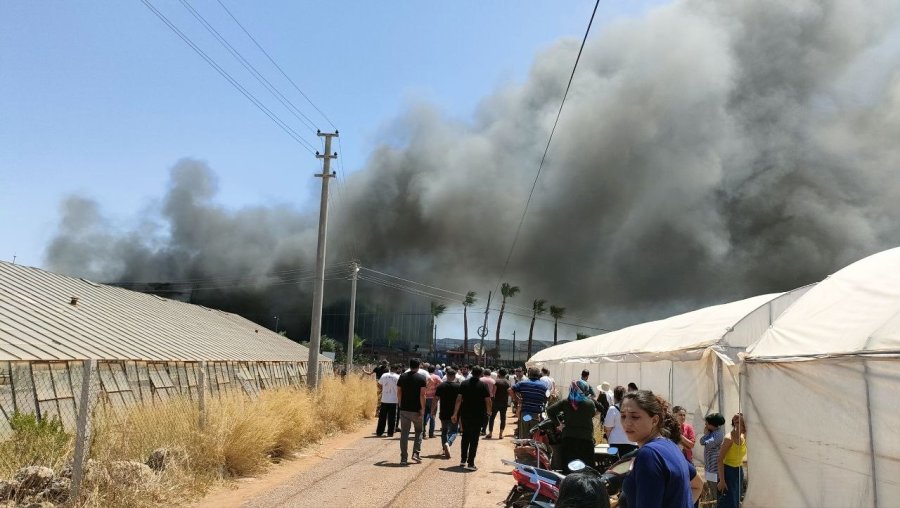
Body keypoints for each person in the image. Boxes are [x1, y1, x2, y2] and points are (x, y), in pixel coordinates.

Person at [620, 389, 699, 508]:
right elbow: (697, 485)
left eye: (635, 417)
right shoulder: (671, 446)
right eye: (623, 416)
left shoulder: (648, 454)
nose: (627, 423)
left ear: (654, 420)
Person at [546, 380, 597, 472]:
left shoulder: (566, 402)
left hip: (568, 439)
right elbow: (592, 414)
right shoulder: (590, 404)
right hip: (586, 440)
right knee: (586, 468)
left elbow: (550, 411)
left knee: (569, 467)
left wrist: (559, 424)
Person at [452, 365, 492, 470]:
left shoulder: (464, 383)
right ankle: (471, 463)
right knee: (474, 439)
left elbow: (458, 399)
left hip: (465, 414)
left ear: (471, 372)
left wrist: (455, 413)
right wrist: (489, 411)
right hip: (478, 415)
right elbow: (488, 400)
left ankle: (463, 460)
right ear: (481, 374)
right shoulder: (483, 385)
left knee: (465, 436)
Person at [396, 358, 427, 465]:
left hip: (404, 409)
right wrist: (423, 409)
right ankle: (416, 453)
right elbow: (422, 395)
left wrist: (400, 403)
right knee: (419, 431)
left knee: (404, 433)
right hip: (417, 410)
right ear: (419, 366)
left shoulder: (402, 376)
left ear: (410, 365)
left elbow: (399, 391)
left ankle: (403, 458)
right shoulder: (421, 378)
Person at [717, 413, 746, 508]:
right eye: (738, 423)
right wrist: (722, 480)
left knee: (736, 500)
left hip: (739, 472)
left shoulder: (743, 437)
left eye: (743, 423)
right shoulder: (728, 439)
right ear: (735, 424)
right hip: (728, 472)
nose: (742, 426)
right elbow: (720, 460)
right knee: (727, 501)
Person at [511, 367, 549, 438]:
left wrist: (517, 399)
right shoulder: (544, 386)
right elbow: (547, 397)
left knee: (524, 436)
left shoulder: (523, 383)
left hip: (526, 414)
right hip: (536, 415)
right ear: (539, 375)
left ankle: (523, 446)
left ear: (529, 374)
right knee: (534, 436)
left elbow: (510, 390)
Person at [434, 367, 461, 459]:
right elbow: (461, 400)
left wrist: (432, 410)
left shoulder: (441, 386)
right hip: (454, 412)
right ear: (454, 376)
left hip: (443, 412)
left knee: (444, 431)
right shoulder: (458, 386)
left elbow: (435, 399)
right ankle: (448, 443)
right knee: (454, 431)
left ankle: (444, 448)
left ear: (447, 376)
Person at [604, 386, 637, 456]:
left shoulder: (612, 409)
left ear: (614, 396)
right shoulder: (633, 408)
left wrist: (609, 439)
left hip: (615, 442)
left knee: (615, 465)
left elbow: (607, 428)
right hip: (631, 442)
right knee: (629, 465)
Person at [699, 413, 726, 497]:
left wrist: (706, 434)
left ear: (712, 424)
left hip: (715, 470)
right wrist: (706, 435)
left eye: (707, 423)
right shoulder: (712, 433)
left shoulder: (718, 434)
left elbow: (706, 443)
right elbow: (701, 441)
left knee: (717, 494)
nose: (705, 425)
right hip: (709, 468)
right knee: (713, 492)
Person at [375, 363, 400, 437]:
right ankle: (390, 433)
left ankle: (379, 432)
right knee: (392, 418)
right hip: (393, 400)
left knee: (382, 417)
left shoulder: (384, 375)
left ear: (390, 368)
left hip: (384, 399)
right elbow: (400, 388)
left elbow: (379, 384)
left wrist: (382, 390)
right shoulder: (398, 377)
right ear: (397, 369)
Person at [488, 368, 511, 439]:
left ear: (499, 374)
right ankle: (500, 434)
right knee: (503, 418)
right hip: (504, 402)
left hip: (496, 402)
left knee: (492, 418)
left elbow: (493, 392)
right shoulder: (508, 382)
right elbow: (509, 393)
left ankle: (490, 433)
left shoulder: (496, 381)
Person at [423, 365, 442, 439]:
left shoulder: (425, 376)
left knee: (424, 414)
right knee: (432, 415)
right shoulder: (436, 377)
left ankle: (423, 432)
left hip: (424, 397)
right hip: (433, 398)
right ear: (434, 370)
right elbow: (442, 383)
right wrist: (436, 387)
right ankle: (431, 433)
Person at [479, 369, 496, 435]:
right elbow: (494, 392)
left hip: (481, 398)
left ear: (483, 373)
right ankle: (484, 430)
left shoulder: (480, 380)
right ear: (490, 374)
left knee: (480, 413)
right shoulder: (493, 381)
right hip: (490, 398)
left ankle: (479, 428)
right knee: (487, 414)